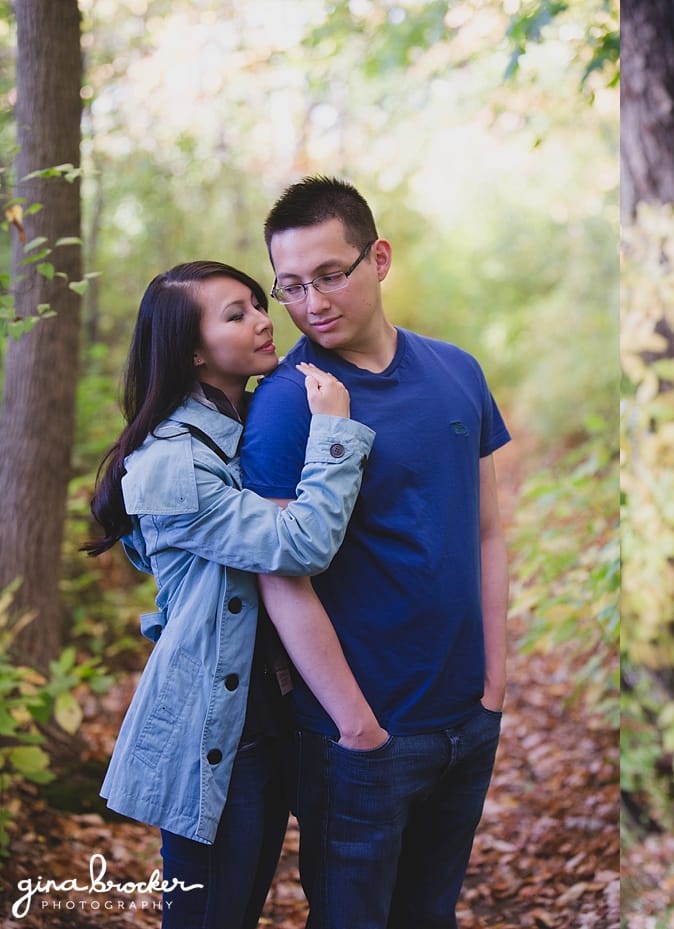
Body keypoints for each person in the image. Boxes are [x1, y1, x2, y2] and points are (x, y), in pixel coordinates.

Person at [238, 176, 510, 929]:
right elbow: (281, 577)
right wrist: (356, 726)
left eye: (330, 274)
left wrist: (494, 681)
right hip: (355, 741)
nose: (312, 301)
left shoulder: (458, 373)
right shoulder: (288, 404)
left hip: (466, 717)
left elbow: (486, 529)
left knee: (430, 915)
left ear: (378, 258)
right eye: (290, 285)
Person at [85, 260, 382, 928]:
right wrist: (334, 430)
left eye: (257, 303)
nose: (261, 319)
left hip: (266, 717)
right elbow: (298, 545)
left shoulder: (239, 429)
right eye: (235, 313)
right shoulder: (176, 461)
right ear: (193, 350)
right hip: (214, 731)